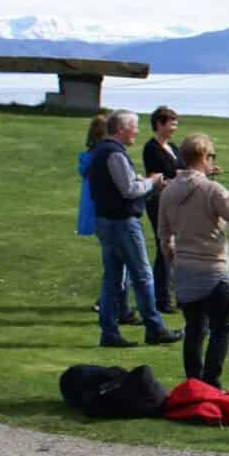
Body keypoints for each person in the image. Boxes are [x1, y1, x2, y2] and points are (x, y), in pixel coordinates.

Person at [157, 133, 229, 387]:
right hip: (213, 270)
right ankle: (211, 384)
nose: (213, 161)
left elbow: (163, 235)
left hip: (185, 272)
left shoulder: (168, 192)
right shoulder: (212, 190)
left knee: (194, 330)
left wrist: (173, 260)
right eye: (211, 156)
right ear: (203, 157)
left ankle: (193, 384)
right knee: (221, 330)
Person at [88, 110, 181, 349]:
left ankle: (109, 332)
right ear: (121, 129)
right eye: (134, 127)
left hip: (105, 220)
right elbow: (128, 190)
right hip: (122, 222)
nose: (137, 132)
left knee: (113, 279)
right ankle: (154, 327)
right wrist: (151, 182)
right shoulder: (115, 154)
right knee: (142, 275)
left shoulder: (100, 151)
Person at [79, 109, 136, 324]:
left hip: (97, 213)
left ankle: (113, 304)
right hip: (108, 214)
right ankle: (114, 305)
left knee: (114, 263)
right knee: (119, 265)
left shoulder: (91, 158)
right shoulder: (106, 156)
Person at [141, 106, 184, 315]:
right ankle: (162, 299)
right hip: (158, 201)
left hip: (174, 201)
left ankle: (172, 295)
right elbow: (160, 175)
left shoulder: (173, 147)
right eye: (172, 123)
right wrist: (181, 176)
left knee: (174, 247)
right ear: (159, 124)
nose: (175, 127)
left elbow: (181, 169)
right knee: (164, 247)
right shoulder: (151, 148)